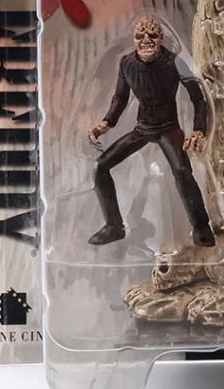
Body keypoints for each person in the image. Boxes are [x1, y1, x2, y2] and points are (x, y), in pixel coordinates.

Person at [88, 14, 214, 248]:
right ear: (134, 39)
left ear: (161, 38)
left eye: (152, 35)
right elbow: (120, 98)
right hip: (142, 127)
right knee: (100, 166)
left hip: (169, 128)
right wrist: (106, 123)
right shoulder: (127, 63)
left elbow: (198, 98)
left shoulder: (175, 62)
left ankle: (201, 227)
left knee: (182, 171)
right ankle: (114, 226)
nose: (146, 40)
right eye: (140, 36)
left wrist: (198, 130)